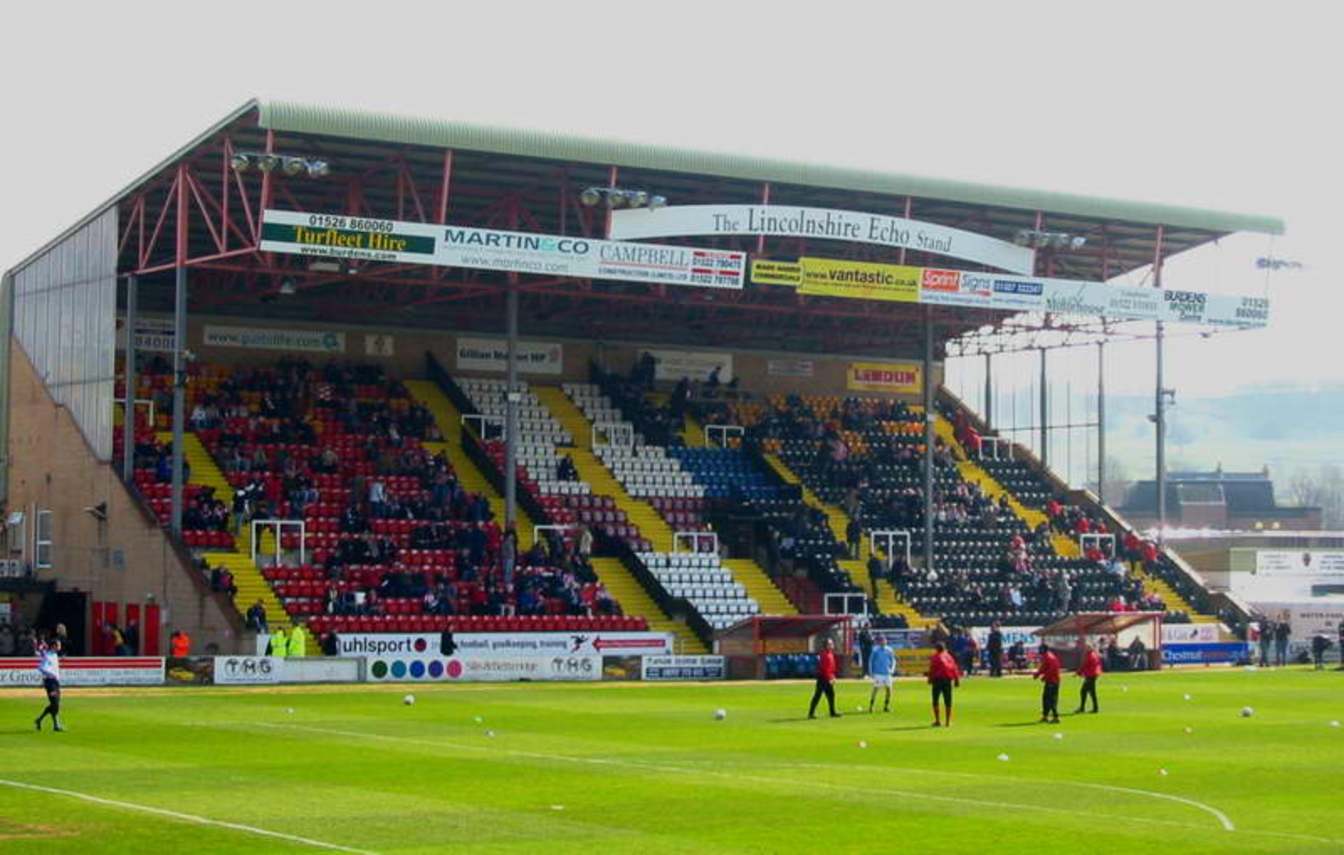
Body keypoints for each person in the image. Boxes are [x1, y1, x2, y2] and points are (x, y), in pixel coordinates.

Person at [33, 632, 65, 732]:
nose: (60, 646)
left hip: (55, 682)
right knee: (55, 704)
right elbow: (41, 667)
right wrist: (52, 674)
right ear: (54, 646)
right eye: (58, 644)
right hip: (50, 683)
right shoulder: (48, 656)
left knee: (55, 704)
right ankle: (56, 724)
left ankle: (40, 720)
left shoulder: (53, 654)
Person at [926, 642, 961, 727]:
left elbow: (932, 669)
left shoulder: (935, 657)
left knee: (935, 700)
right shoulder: (949, 656)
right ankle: (948, 722)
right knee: (948, 700)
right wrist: (956, 679)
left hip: (937, 680)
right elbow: (954, 668)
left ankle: (938, 720)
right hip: (947, 680)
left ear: (937, 649)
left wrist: (930, 679)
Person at [807, 638, 841, 719]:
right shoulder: (824, 655)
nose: (832, 645)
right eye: (830, 644)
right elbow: (825, 668)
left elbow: (832, 667)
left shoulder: (830, 654)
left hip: (827, 677)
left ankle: (832, 712)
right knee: (818, 695)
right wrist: (830, 678)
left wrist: (832, 676)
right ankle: (811, 713)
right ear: (826, 645)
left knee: (831, 695)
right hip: (823, 678)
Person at [1033, 643, 1062, 724]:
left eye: (1040, 649)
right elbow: (1044, 667)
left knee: (1051, 699)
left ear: (1043, 649)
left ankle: (1056, 717)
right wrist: (1038, 674)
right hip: (1050, 680)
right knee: (1045, 699)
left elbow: (1052, 669)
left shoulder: (1049, 657)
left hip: (1053, 681)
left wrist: (1044, 677)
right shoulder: (1046, 656)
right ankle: (1045, 716)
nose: (1039, 651)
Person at [867, 634, 895, 713]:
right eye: (882, 640)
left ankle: (886, 706)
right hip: (878, 673)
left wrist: (892, 669)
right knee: (876, 689)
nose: (883, 642)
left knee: (889, 690)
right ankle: (871, 706)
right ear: (879, 642)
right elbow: (871, 661)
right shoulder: (875, 650)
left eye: (884, 640)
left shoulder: (889, 650)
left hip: (887, 673)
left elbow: (893, 660)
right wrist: (871, 672)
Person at [1074, 642, 1103, 714]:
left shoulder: (1090, 656)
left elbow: (1084, 665)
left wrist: (1078, 673)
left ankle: (1083, 708)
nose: (1085, 648)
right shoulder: (1094, 655)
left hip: (1090, 675)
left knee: (1084, 691)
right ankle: (1094, 708)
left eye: (1086, 647)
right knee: (1091, 692)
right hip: (1093, 675)